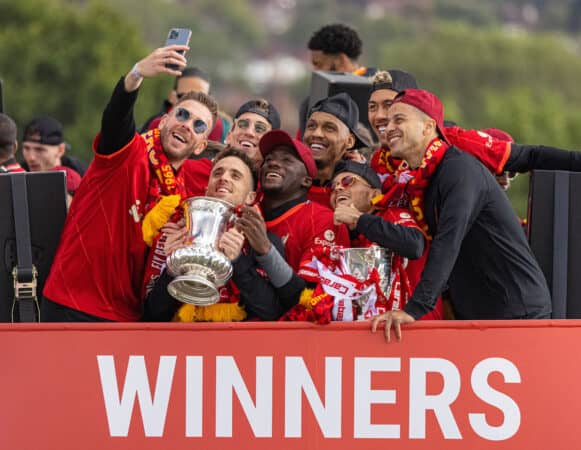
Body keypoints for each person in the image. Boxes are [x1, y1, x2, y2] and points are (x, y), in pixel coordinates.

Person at [42, 44, 217, 321]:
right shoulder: (127, 150)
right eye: (182, 115)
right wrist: (135, 76)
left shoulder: (182, 200)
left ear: (200, 146)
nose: (187, 125)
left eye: (198, 125)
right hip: (73, 304)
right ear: (164, 119)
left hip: (126, 320)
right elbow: (116, 118)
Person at [370, 89, 551, 341]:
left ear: (428, 126)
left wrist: (414, 309)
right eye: (387, 122)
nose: (388, 127)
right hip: (477, 316)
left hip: (515, 314)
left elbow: (449, 239)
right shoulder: (420, 178)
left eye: (399, 119)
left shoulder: (459, 169)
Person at [144, 148, 305, 322]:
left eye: (236, 176)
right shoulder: (178, 232)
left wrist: (237, 261)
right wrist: (172, 267)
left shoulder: (262, 241)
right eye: (217, 173)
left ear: (250, 197)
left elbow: (272, 312)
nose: (224, 178)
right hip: (185, 344)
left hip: (239, 346)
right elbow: (152, 314)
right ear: (206, 190)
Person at [258, 129, 350, 322]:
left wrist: (265, 252)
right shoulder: (246, 213)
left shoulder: (323, 220)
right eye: (268, 159)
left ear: (306, 180)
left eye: (287, 161)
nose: (273, 163)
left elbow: (309, 301)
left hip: (297, 339)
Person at [331, 160, 442, 320]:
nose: (339, 188)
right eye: (333, 187)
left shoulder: (391, 214)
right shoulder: (340, 235)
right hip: (371, 331)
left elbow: (414, 245)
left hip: (417, 328)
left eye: (348, 181)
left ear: (374, 194)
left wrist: (359, 220)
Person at [299, 23, 374, 136]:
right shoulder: (312, 101)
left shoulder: (380, 91)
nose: (315, 71)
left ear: (341, 60)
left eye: (318, 64)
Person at [302, 92, 367, 207]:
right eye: (311, 126)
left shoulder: (359, 194)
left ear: (349, 141)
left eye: (329, 128)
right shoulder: (287, 183)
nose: (317, 133)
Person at [141, 66, 230, 142]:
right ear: (172, 97)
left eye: (201, 98)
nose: (193, 104)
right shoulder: (154, 126)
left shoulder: (222, 131)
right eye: (185, 96)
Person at [20, 116, 83, 198]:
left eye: (39, 150)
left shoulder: (82, 177)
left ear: (60, 150)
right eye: (26, 148)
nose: (31, 157)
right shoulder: (19, 174)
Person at [224, 99, 281, 166]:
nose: (249, 132)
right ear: (228, 136)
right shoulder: (210, 172)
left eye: (260, 128)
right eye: (243, 124)